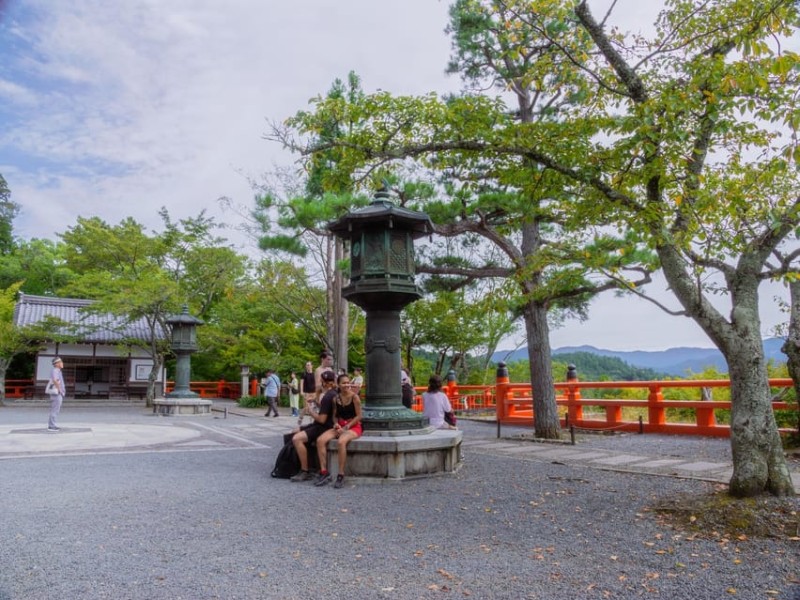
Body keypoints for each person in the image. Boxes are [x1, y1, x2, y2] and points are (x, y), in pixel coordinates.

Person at [313, 372, 363, 489]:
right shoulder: (336, 398)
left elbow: (359, 416)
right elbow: (335, 415)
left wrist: (347, 427)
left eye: (348, 382)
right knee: (320, 440)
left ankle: (340, 474)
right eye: (343, 383)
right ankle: (324, 471)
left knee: (341, 442)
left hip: (353, 426)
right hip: (340, 425)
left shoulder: (355, 397)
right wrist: (335, 424)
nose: (346, 385)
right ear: (338, 384)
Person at [290, 370, 337, 482]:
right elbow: (326, 410)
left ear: (325, 383)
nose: (319, 383)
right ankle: (308, 464)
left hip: (324, 427)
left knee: (297, 438)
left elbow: (322, 419)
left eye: (321, 381)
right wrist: (315, 402)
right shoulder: (333, 393)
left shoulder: (328, 397)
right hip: (323, 424)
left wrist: (310, 411)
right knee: (295, 430)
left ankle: (304, 470)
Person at [47, 356, 66, 431]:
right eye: (60, 362)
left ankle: (52, 425)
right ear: (57, 364)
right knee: (55, 409)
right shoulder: (55, 370)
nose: (62, 363)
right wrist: (59, 390)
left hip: (57, 392)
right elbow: (55, 380)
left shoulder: (58, 371)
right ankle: (52, 426)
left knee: (55, 409)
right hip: (57, 393)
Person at [298, 361, 316, 426]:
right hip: (306, 392)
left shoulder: (314, 374)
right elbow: (301, 383)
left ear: (312, 366)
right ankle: (301, 417)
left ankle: (312, 422)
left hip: (313, 393)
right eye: (306, 365)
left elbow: (316, 383)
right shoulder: (304, 374)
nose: (307, 366)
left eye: (309, 365)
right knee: (306, 408)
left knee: (312, 407)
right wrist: (301, 391)